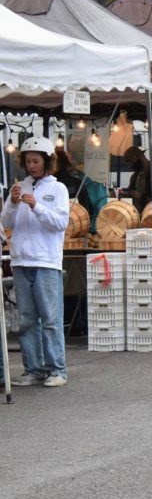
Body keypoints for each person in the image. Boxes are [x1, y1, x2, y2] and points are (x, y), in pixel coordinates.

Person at [1, 137, 70, 387]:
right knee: (27, 318)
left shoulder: (58, 189)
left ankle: (57, 369)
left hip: (47, 261)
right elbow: (6, 222)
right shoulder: (20, 187)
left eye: (36, 161)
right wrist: (12, 201)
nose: (31, 166)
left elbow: (60, 223)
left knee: (50, 318)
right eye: (28, 161)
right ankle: (33, 369)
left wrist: (37, 206)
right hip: (21, 260)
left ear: (47, 161)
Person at [122, 146, 152, 212]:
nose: (131, 165)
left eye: (131, 161)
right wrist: (124, 194)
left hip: (151, 213)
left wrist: (141, 196)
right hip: (137, 212)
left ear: (140, 156)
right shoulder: (135, 176)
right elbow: (130, 192)